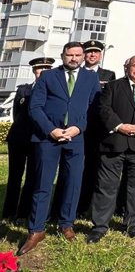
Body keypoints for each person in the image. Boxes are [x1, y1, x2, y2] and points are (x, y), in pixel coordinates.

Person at [19, 42, 101, 256]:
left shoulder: (91, 78)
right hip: (48, 138)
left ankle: (66, 224)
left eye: (77, 55)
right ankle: (36, 230)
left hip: (76, 138)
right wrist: (51, 130)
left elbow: (94, 108)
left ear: (83, 57)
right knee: (42, 183)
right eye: (69, 55)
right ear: (62, 55)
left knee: (73, 183)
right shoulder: (48, 76)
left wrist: (78, 127)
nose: (73, 58)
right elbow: (34, 107)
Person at [87, 56, 135, 243]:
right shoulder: (112, 86)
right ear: (127, 67)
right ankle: (100, 226)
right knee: (106, 186)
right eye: (134, 66)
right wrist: (120, 126)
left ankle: (132, 223)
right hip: (114, 143)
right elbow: (103, 109)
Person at [2, 57, 54, 220]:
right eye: (39, 70)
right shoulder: (23, 90)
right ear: (34, 72)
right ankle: (8, 213)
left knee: (32, 178)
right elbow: (17, 113)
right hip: (18, 139)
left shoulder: (52, 92)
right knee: (14, 177)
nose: (41, 73)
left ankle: (23, 213)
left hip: (37, 140)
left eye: (45, 70)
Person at [78, 40, 117, 216]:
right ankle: (75, 205)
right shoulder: (76, 72)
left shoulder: (108, 75)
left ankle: (91, 207)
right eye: (89, 52)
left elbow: (111, 103)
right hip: (77, 128)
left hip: (98, 130)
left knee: (96, 169)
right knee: (76, 169)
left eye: (96, 52)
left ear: (101, 55)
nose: (92, 55)